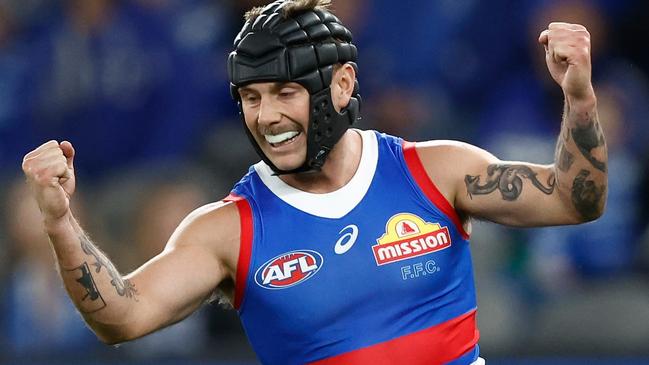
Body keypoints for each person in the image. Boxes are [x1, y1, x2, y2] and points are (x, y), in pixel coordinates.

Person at [21, 0, 608, 364]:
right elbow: (122, 318)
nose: (266, 117)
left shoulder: (434, 171)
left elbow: (574, 200)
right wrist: (60, 222)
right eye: (251, 98)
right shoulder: (229, 230)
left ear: (344, 85)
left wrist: (578, 96)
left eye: (285, 93)